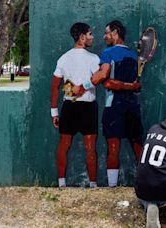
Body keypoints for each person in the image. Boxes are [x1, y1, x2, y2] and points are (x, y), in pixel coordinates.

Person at [73, 20, 142, 187]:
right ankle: (145, 183)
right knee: (137, 146)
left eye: (106, 33)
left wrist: (82, 88)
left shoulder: (108, 53)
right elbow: (135, 86)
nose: (104, 37)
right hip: (133, 105)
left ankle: (112, 187)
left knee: (113, 147)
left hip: (114, 106)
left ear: (115, 33)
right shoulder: (134, 56)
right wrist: (130, 86)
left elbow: (102, 78)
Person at [50, 22, 100, 188]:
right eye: (90, 34)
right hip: (85, 107)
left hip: (71, 107)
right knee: (89, 147)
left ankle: (62, 184)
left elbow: (55, 86)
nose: (92, 37)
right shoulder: (94, 59)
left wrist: (54, 113)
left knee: (65, 146)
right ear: (82, 37)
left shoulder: (64, 58)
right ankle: (90, 185)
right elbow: (97, 80)